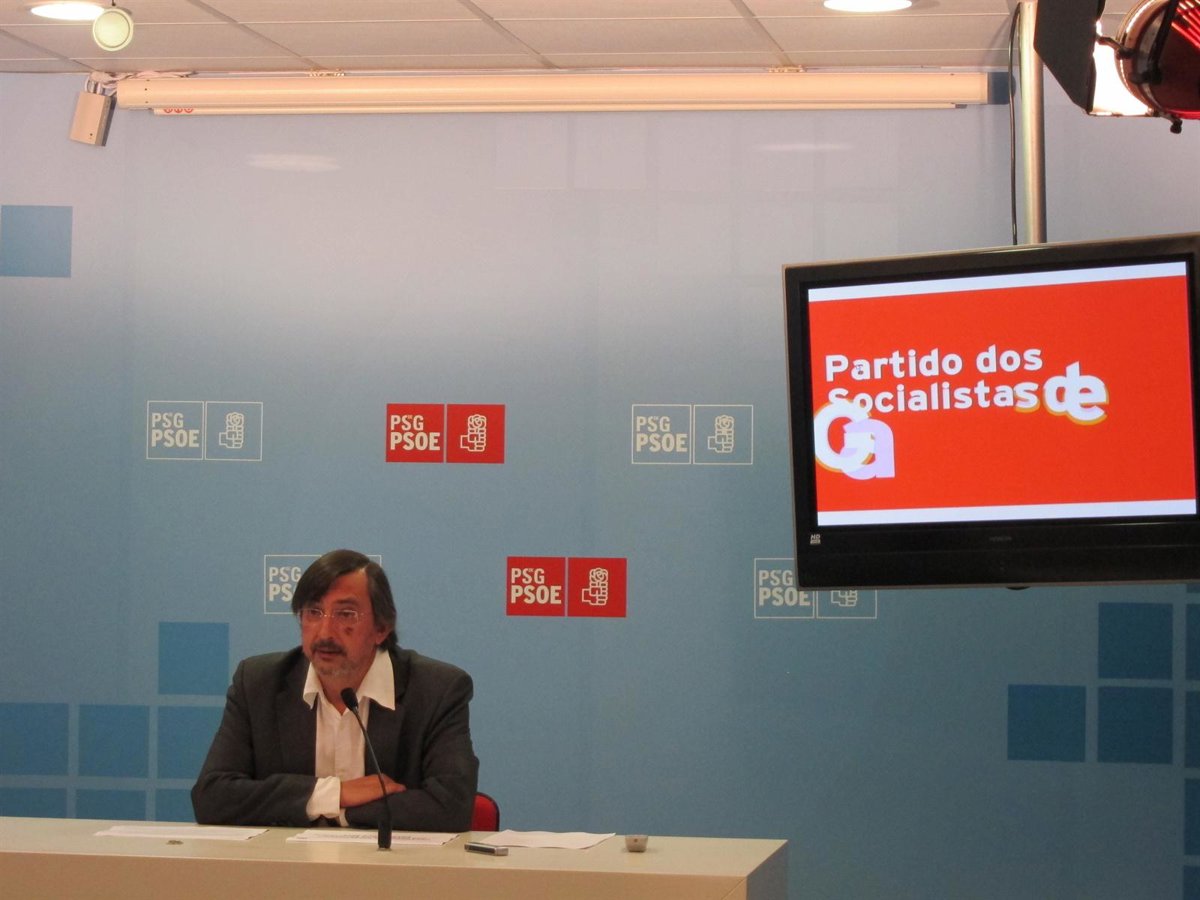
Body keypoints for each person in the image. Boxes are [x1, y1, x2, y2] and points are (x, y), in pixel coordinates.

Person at [192, 549, 478, 831]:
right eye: (313, 612)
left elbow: (451, 806)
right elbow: (212, 797)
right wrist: (336, 794)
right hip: (286, 861)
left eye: (346, 614)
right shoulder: (258, 684)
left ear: (382, 628)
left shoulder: (436, 690)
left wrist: (338, 811)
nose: (325, 632)